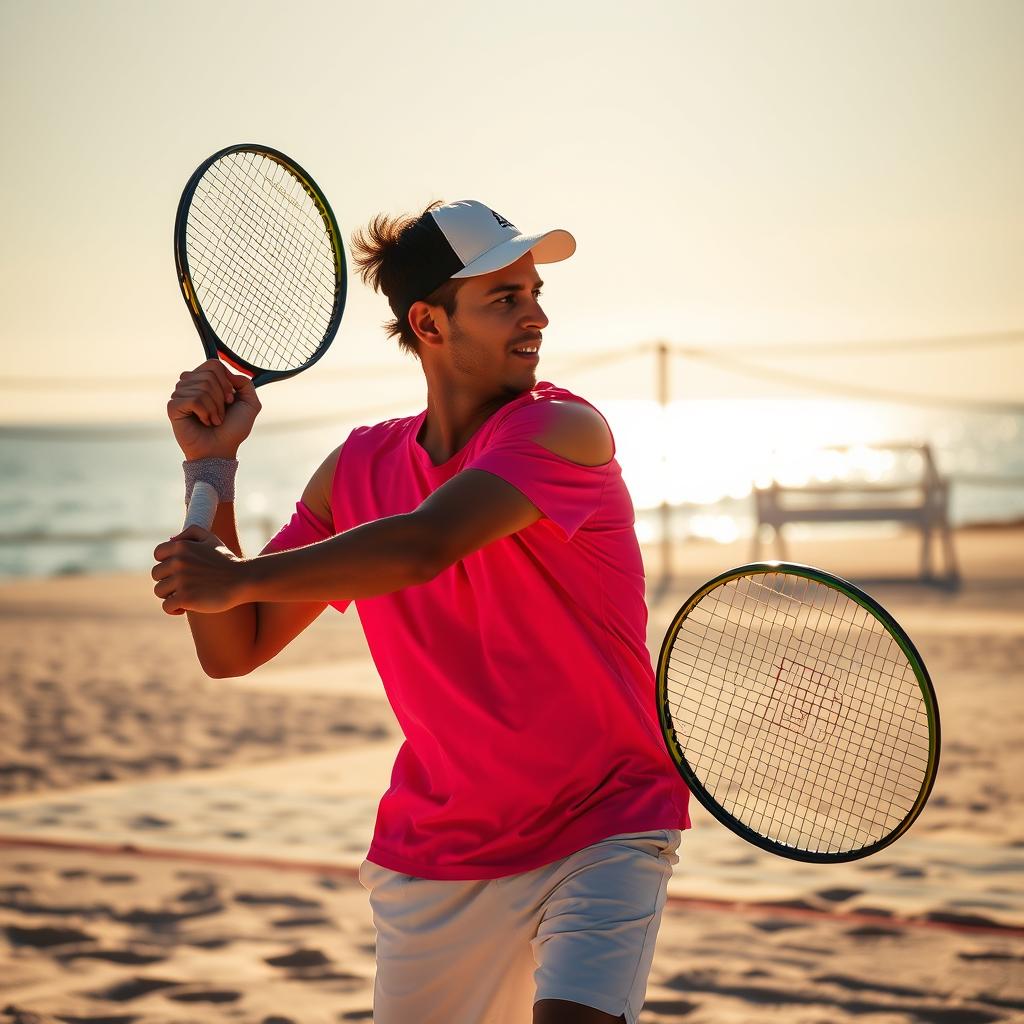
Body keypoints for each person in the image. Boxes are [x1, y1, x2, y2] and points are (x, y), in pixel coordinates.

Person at [153, 199, 691, 1024]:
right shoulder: (357, 466)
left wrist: (234, 578)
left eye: (535, 293)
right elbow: (235, 649)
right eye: (504, 298)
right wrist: (213, 468)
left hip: (604, 825)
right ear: (428, 322)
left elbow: (421, 546)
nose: (537, 317)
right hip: (437, 856)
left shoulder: (563, 430)